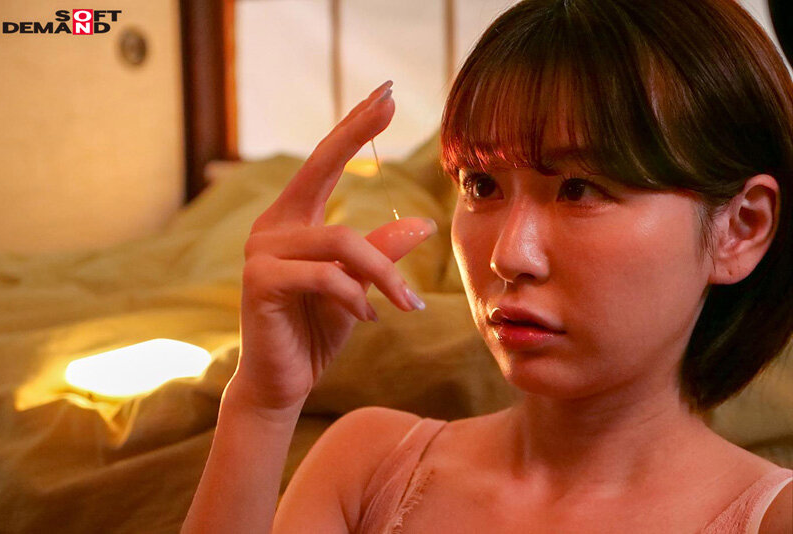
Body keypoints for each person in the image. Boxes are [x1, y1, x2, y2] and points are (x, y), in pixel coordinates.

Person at [182, 0, 792, 532]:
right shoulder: (367, 469)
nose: (508, 255)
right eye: (481, 184)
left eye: (579, 189)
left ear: (741, 228)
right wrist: (260, 406)